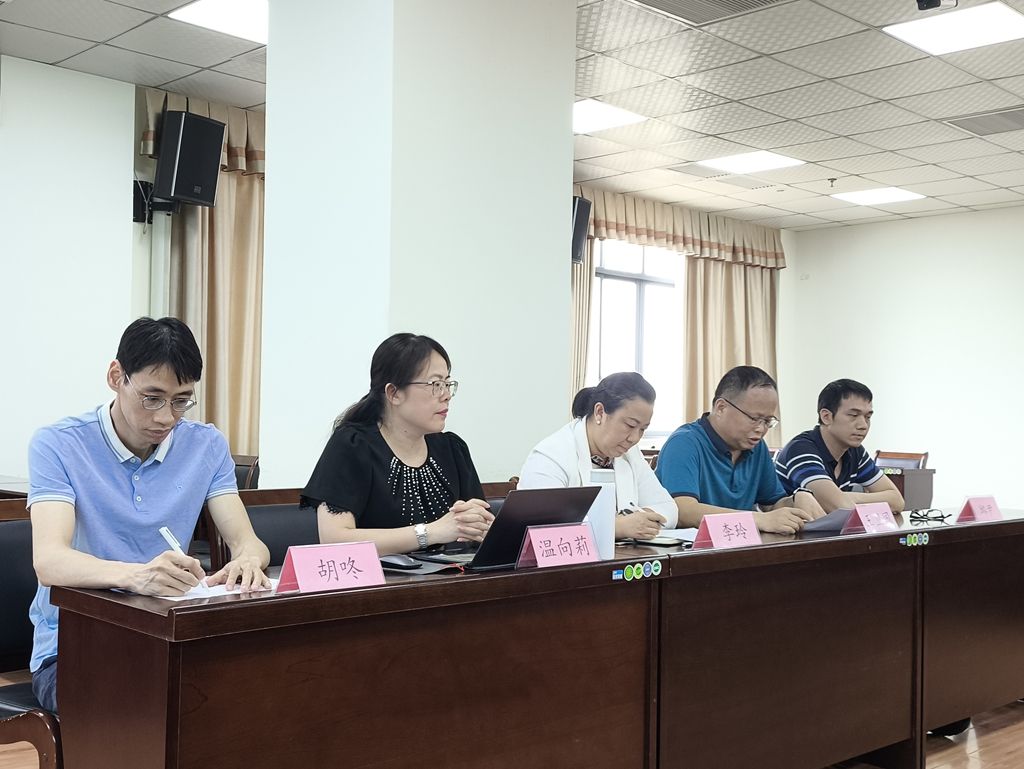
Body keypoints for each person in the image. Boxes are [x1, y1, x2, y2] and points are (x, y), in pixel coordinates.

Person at [28, 317, 271, 713]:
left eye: (181, 400)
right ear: (116, 377)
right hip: (75, 647)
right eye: (152, 398)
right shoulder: (59, 445)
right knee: (148, 709)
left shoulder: (206, 445)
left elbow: (249, 543)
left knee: (257, 692)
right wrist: (138, 576)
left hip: (169, 637)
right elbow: (49, 561)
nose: (166, 417)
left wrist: (248, 561)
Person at [302, 333, 492, 554]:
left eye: (447, 384)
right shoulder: (353, 445)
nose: (446, 395)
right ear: (393, 393)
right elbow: (334, 539)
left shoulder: (452, 449)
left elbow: (481, 527)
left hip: (450, 573)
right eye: (436, 384)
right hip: (380, 575)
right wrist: (431, 532)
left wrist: (482, 525)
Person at [655, 366, 824, 534]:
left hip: (741, 545)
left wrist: (798, 498)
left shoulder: (756, 447)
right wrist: (758, 519)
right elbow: (683, 510)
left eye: (767, 421)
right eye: (754, 418)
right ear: (721, 407)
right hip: (690, 547)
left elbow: (772, 504)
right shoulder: (684, 443)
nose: (761, 429)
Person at [518, 372, 678, 540]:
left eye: (642, 429)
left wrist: (639, 520)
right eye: (630, 425)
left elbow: (668, 508)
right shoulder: (550, 456)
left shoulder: (630, 454)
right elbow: (545, 527)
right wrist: (617, 527)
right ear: (600, 412)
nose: (635, 438)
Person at [775, 379, 904, 514]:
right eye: (853, 415)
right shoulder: (801, 449)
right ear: (826, 417)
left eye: (867, 417)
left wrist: (846, 497)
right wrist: (843, 499)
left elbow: (897, 501)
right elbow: (839, 507)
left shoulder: (855, 451)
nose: (863, 425)